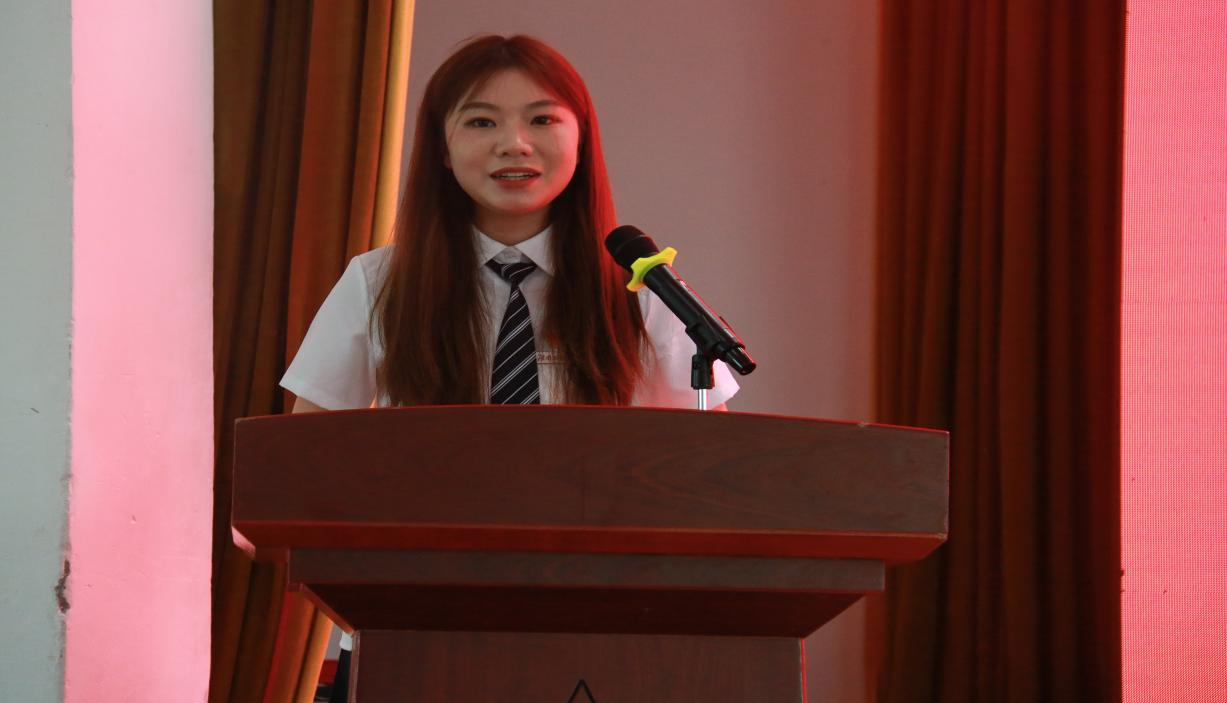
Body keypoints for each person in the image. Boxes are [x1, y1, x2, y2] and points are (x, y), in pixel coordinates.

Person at [278, 34, 739, 701]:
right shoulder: (380, 282)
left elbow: (711, 471)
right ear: (441, 148)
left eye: (542, 119)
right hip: (414, 622)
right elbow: (304, 460)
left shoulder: (639, 289)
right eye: (481, 122)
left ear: (581, 141)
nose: (514, 144)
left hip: (605, 630)